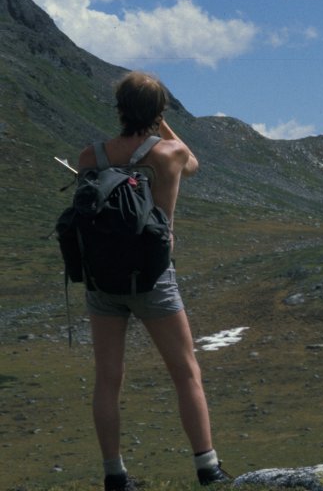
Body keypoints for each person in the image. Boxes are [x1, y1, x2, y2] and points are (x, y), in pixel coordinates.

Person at [77, 72, 229, 491]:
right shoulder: (171, 154)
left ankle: (114, 475)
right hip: (153, 277)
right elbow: (194, 165)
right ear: (158, 112)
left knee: (108, 377)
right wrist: (160, 124)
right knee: (185, 372)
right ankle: (208, 468)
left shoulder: (89, 157)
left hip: (101, 280)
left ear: (120, 108)